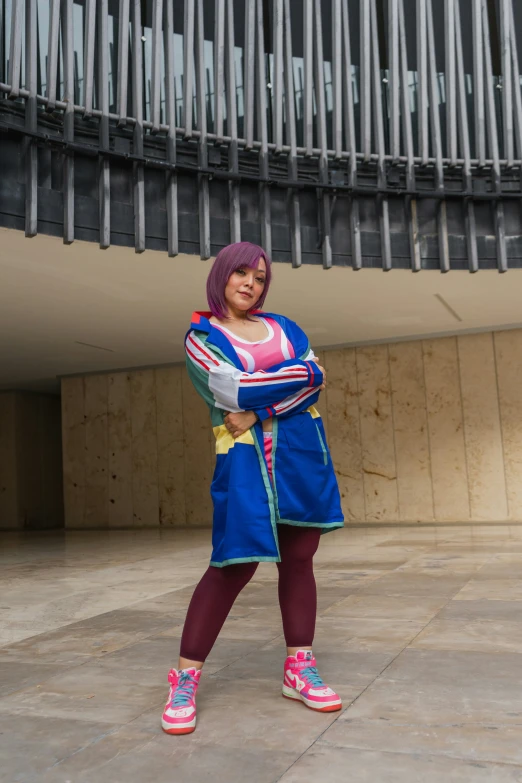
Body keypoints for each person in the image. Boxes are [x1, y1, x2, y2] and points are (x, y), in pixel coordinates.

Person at [161, 242, 344, 735]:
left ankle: (298, 668)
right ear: (221, 275)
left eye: (260, 277)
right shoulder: (202, 336)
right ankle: (185, 678)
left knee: (300, 556)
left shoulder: (285, 327)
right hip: (244, 461)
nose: (250, 284)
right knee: (232, 564)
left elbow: (314, 381)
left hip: (301, 456)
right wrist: (294, 376)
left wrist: (264, 407)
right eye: (240, 273)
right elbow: (232, 390)